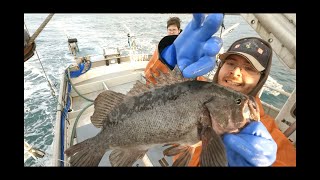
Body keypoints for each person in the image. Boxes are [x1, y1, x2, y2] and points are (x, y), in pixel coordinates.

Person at [144, 13, 296, 166]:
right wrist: (170, 62)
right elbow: (156, 89)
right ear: (220, 66)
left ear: (260, 79)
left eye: (249, 68)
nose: (235, 72)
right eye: (230, 63)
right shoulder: (194, 90)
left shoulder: (270, 138)